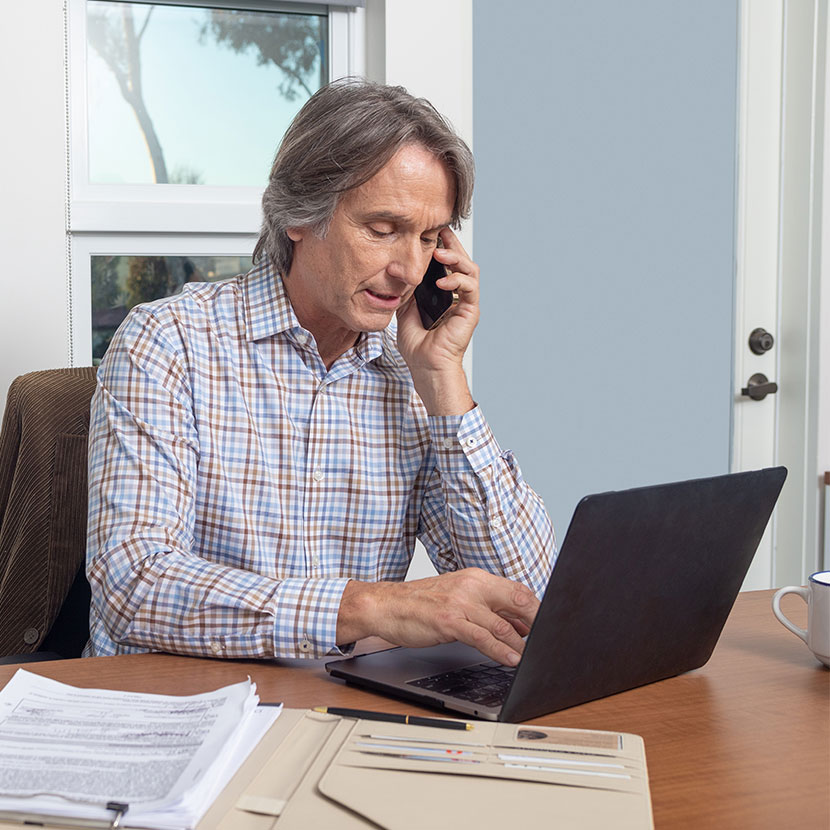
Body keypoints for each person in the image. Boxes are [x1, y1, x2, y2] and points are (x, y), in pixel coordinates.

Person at [85, 79, 556, 665]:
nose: (409, 268)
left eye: (429, 238)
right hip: (176, 714)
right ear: (298, 217)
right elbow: (133, 584)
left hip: (336, 710)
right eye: (382, 230)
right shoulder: (169, 343)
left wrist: (444, 380)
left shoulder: (413, 381)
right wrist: (373, 609)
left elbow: (527, 605)